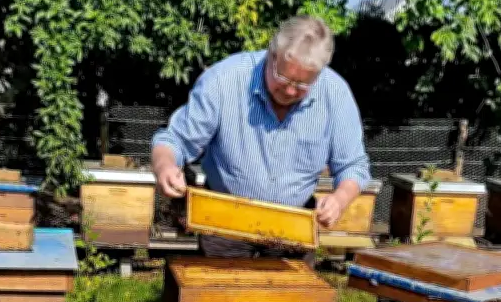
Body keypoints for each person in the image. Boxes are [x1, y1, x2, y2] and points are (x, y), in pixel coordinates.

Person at [151, 15, 371, 264]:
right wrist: (166, 166)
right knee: (221, 301)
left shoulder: (336, 95)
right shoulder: (224, 80)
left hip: (293, 228)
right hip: (224, 222)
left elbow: (353, 165)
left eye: (301, 85)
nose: (289, 91)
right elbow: (174, 139)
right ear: (271, 54)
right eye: (284, 78)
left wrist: (339, 199)